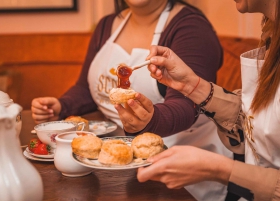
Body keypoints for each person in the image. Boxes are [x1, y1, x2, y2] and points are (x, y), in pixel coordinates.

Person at [31, 0, 232, 200]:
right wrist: (62, 106)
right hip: (118, 160)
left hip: (181, 167)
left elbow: (187, 104)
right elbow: (88, 88)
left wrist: (149, 121)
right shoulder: (106, 25)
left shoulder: (192, 28)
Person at [137, 0, 280, 200]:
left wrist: (219, 169)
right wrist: (190, 85)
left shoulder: (191, 26)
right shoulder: (271, 33)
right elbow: (257, 126)